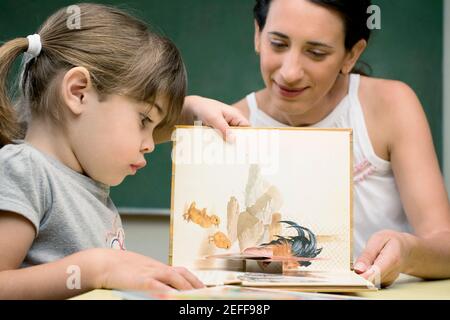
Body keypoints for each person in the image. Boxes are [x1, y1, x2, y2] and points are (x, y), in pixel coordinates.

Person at [194, 0, 450, 287]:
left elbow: (445, 244)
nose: (290, 72)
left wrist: (408, 252)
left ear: (351, 55)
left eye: (316, 53)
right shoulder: (228, 128)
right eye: (278, 44)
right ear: (258, 34)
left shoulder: (390, 106)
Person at [0, 3, 247, 299]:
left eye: (155, 126)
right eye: (144, 120)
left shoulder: (80, 175)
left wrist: (188, 109)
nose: (151, 143)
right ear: (78, 92)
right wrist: (95, 269)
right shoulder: (23, 169)